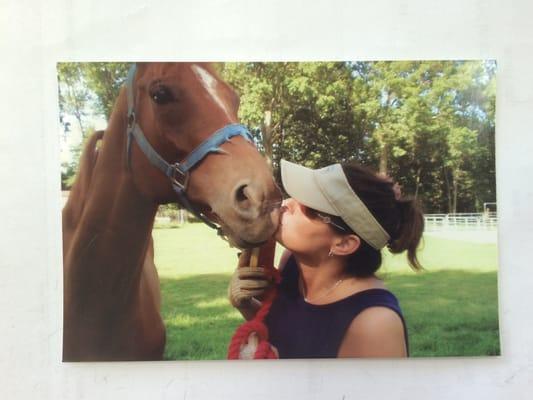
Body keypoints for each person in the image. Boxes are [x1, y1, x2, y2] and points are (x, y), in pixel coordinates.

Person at [228, 159, 424, 358]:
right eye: (296, 195)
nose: (286, 205)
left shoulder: (375, 324)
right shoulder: (293, 263)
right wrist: (245, 304)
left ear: (344, 244)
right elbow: (288, 329)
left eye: (309, 208)